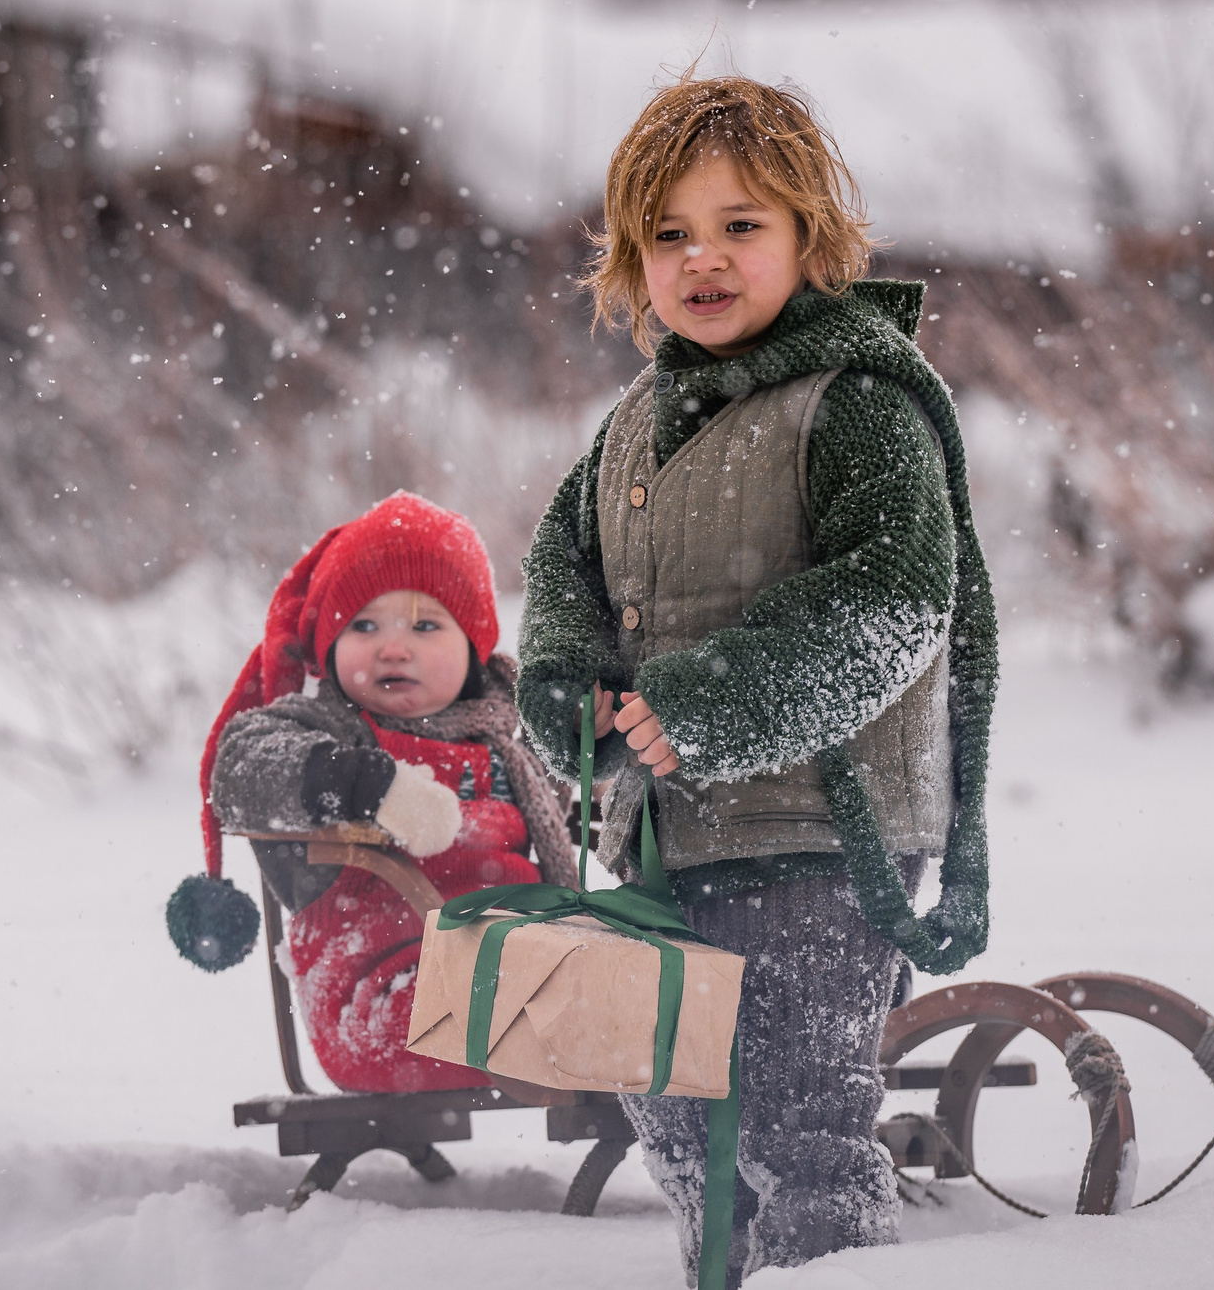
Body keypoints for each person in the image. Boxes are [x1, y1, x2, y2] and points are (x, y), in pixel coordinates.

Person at [514, 75, 997, 1283]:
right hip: (663, 840)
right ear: (631, 258)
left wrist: (715, 700)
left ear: (809, 241)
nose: (704, 259)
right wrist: (567, 680)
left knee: (798, 1132)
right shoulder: (634, 422)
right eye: (670, 233)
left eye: (741, 226)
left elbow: (892, 601)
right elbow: (563, 565)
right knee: (685, 1130)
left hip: (814, 844)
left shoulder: (857, 405)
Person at [167, 491, 577, 1093]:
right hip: (375, 1000)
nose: (392, 646)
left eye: (426, 625)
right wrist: (365, 784)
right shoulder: (331, 727)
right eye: (364, 625)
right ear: (330, 647)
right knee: (583, 1020)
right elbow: (242, 765)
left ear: (473, 650)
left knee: (636, 998)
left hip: (512, 976)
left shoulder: (507, 738)